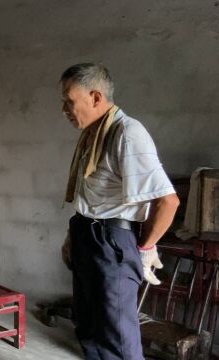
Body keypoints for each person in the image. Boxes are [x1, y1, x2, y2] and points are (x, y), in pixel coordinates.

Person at [59, 63, 180, 359]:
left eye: (69, 100)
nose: (64, 109)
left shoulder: (127, 133)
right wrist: (73, 235)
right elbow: (91, 195)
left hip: (111, 243)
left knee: (117, 336)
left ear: (96, 97)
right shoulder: (93, 133)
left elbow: (169, 201)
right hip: (87, 234)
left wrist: (146, 248)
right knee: (88, 327)